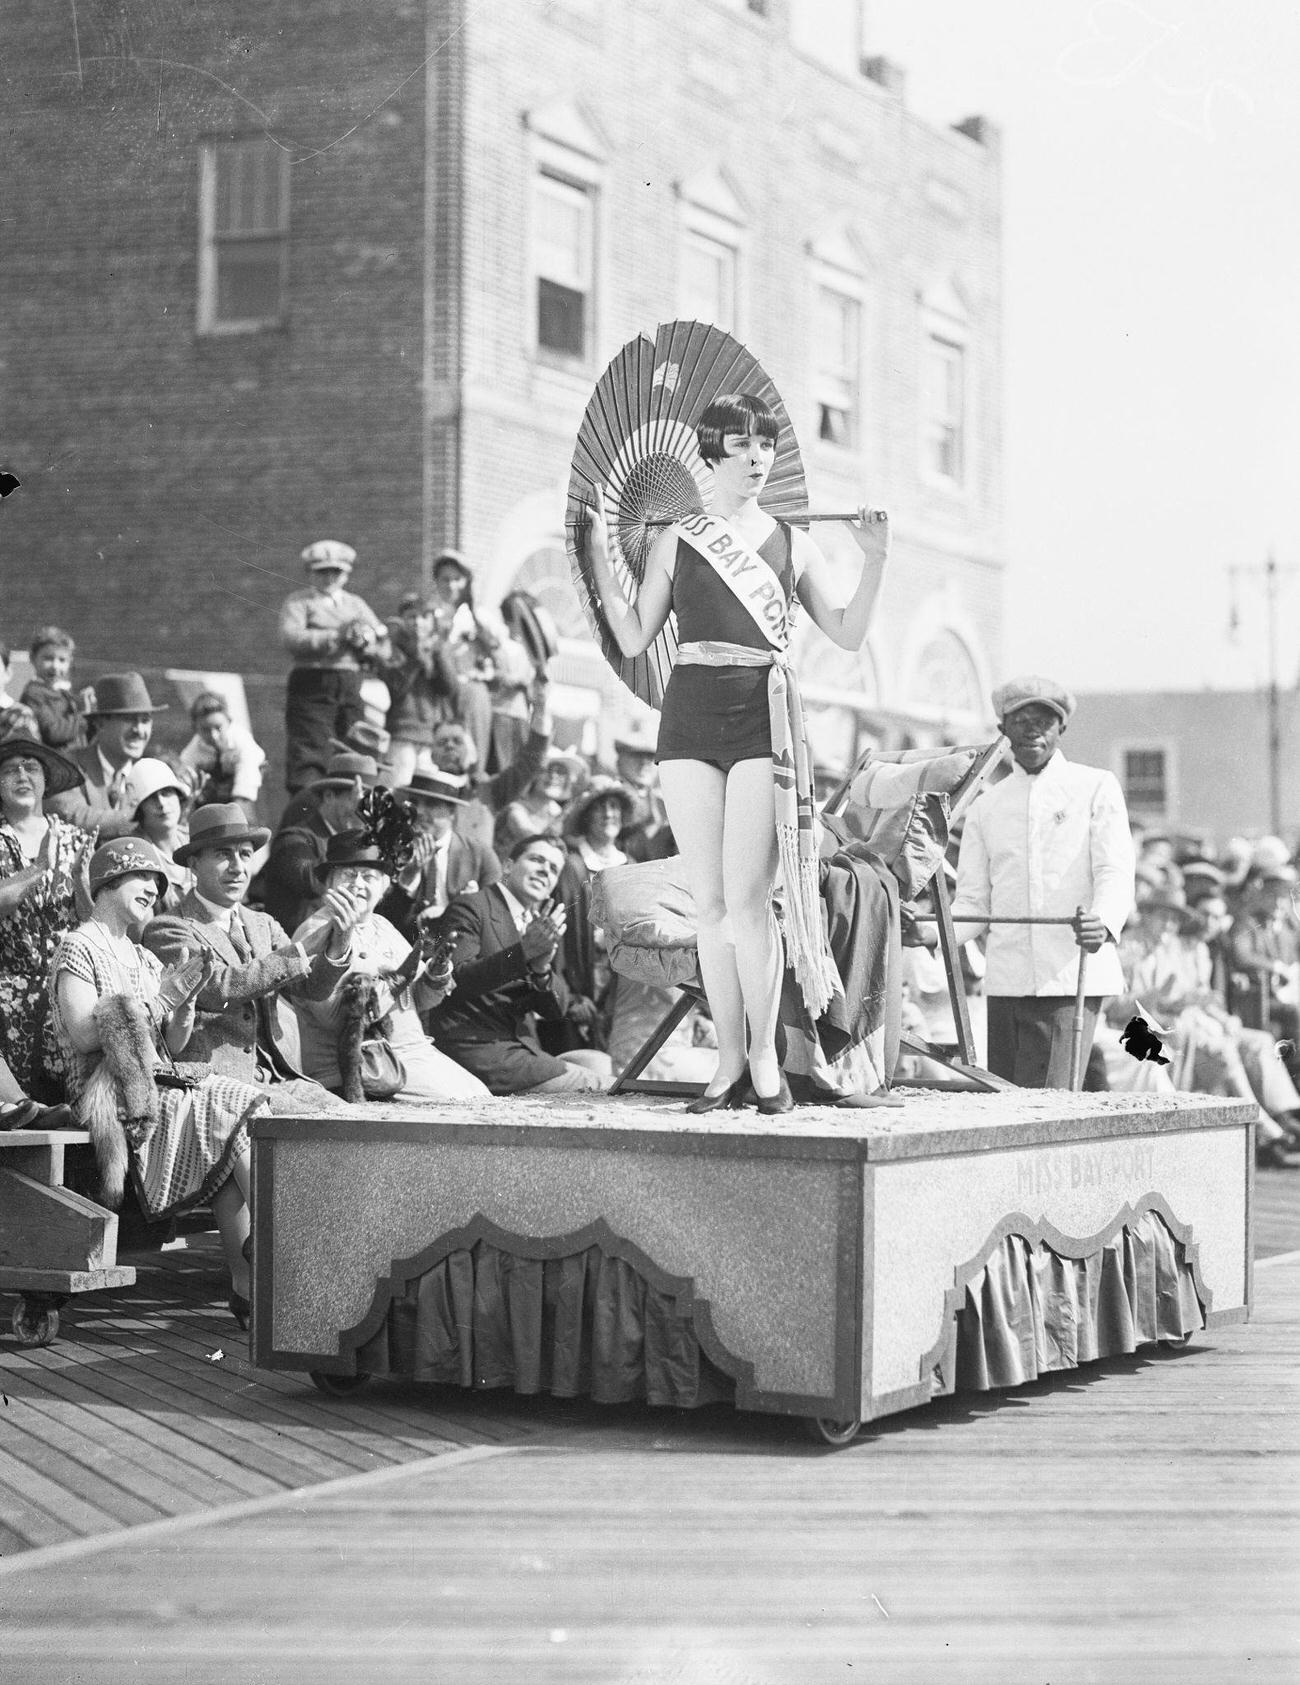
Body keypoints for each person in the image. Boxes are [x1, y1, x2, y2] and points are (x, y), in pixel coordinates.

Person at [583, 390, 890, 1113]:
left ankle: (763, 1058)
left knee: (750, 900)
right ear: (711, 450)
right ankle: (724, 1059)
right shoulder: (677, 537)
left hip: (762, 717)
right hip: (688, 716)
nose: (757, 458)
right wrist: (599, 558)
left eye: (766, 445)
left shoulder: (793, 540)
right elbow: (633, 638)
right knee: (711, 903)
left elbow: (846, 632)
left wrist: (875, 560)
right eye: (742, 444)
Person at [50, 838, 269, 1328]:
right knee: (232, 1104)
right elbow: (86, 1034)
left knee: (233, 1130)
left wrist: (182, 1011)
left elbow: (167, 1040)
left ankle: (247, 1286)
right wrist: (159, 1002)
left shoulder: (142, 956)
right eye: (143, 878)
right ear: (108, 881)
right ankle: (276, 1231)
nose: (154, 889)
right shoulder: (78, 945)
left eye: (159, 883)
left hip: (154, 1081)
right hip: (108, 1092)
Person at [952, 677, 1136, 1089]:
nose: (1032, 729)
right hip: (1006, 980)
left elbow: (1115, 871)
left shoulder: (1095, 786)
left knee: (1040, 1105)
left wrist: (1103, 921)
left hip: (1070, 974)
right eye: (1021, 720)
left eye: (1044, 720)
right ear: (1002, 730)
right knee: (1014, 1098)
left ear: (1061, 729)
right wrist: (932, 932)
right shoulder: (986, 806)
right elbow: (972, 901)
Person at [140, 804, 351, 1111]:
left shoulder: (262, 923)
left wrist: (338, 945)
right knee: (319, 1129)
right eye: (223, 854)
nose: (237, 867)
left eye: (245, 854)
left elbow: (311, 990)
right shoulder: (169, 927)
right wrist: (300, 952)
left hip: (280, 1076)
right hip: (217, 1080)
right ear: (194, 864)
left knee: (350, 1121)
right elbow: (216, 988)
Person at [290, 830, 490, 1102]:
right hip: (363, 1066)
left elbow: (416, 1000)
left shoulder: (382, 927)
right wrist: (397, 980)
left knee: (479, 1094)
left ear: (384, 886)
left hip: (408, 1054)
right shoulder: (316, 931)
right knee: (468, 1104)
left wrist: (435, 975)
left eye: (369, 877)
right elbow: (335, 1016)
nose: (358, 885)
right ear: (329, 883)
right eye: (349, 875)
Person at [427, 834, 612, 1094]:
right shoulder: (471, 907)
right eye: (536, 860)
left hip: (523, 1051)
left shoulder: (539, 923)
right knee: (605, 1087)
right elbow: (456, 979)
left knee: (603, 1065)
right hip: (477, 1051)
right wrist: (524, 952)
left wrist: (542, 970)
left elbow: (556, 1009)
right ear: (508, 866)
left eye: (553, 869)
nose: (544, 871)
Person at [0, 737, 95, 1099]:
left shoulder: (76, 838)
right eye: (10, 770)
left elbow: (93, 924)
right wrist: (39, 869)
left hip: (67, 992)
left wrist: (81, 884)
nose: (21, 776)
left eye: (31, 768)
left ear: (45, 781)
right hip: (7, 991)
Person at [280, 540, 391, 793]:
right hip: (312, 682)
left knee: (354, 747)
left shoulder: (355, 604)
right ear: (310, 573)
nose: (329, 577)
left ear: (346, 574)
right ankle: (307, 809)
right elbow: (292, 638)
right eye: (322, 571)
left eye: (336, 572)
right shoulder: (299, 603)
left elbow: (382, 644)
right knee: (310, 752)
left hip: (349, 683)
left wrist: (365, 644)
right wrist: (337, 635)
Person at [258, 750, 381, 934]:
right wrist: (353, 833)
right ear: (329, 796)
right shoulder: (294, 838)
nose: (363, 811)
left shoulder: (364, 841)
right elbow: (314, 882)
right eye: (354, 799)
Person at [376, 768, 501, 943]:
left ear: (451, 811)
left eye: (431, 804)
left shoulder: (480, 855)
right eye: (414, 802)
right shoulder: (390, 849)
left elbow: (495, 918)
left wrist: (464, 907)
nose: (419, 811)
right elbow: (383, 920)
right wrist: (407, 879)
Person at [46, 671, 168, 839]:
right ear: (100, 723)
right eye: (129, 719)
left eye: (145, 720)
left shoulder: (148, 773)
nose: (139, 731)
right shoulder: (66, 766)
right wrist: (144, 816)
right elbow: (76, 818)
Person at [383, 592, 461, 789]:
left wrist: (438, 654)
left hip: (428, 735)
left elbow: (448, 688)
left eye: (424, 617)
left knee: (423, 789)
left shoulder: (436, 650)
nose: (418, 622)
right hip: (401, 733)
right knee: (399, 786)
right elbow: (395, 689)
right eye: (412, 617)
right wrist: (414, 661)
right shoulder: (393, 649)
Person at [178, 691, 267, 812]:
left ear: (229, 721)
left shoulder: (243, 742)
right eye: (205, 730)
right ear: (195, 729)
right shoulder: (191, 752)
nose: (214, 736)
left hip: (244, 805)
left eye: (218, 727)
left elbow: (245, 787)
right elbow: (184, 788)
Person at [123, 758, 193, 909]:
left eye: (166, 793)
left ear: (179, 797)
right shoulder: (134, 854)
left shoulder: (194, 839)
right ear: (139, 809)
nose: (161, 803)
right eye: (151, 797)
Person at [21, 626, 87, 750]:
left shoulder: (62, 692)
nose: (55, 666)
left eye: (62, 660)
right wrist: (83, 718)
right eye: (48, 658)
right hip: (53, 760)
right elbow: (53, 733)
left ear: (69, 662)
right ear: (33, 658)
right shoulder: (34, 694)